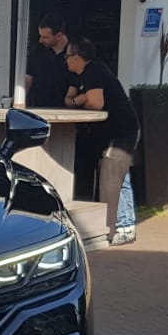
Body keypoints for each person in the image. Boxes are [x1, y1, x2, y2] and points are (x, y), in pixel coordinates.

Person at [64, 38, 139, 244]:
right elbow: (68, 100)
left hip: (121, 132)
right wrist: (81, 99)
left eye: (67, 56)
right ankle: (122, 225)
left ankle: (122, 227)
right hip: (112, 133)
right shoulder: (79, 75)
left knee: (113, 178)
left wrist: (80, 100)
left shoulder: (95, 71)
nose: (65, 60)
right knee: (118, 178)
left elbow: (96, 103)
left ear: (77, 57)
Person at [24, 13, 70, 109]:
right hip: (38, 108)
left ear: (58, 35)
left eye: (45, 37)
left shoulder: (74, 53)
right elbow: (28, 79)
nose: (40, 40)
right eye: (40, 36)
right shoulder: (37, 51)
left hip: (65, 110)